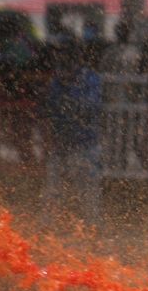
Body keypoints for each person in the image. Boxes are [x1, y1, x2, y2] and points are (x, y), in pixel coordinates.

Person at [39, 40, 105, 231]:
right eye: (63, 57)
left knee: (88, 190)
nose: (65, 61)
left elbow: (90, 106)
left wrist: (69, 94)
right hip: (61, 144)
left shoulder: (90, 80)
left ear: (78, 59)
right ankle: (47, 225)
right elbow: (47, 111)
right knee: (52, 189)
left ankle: (93, 226)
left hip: (85, 144)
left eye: (69, 57)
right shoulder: (56, 82)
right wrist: (49, 139)